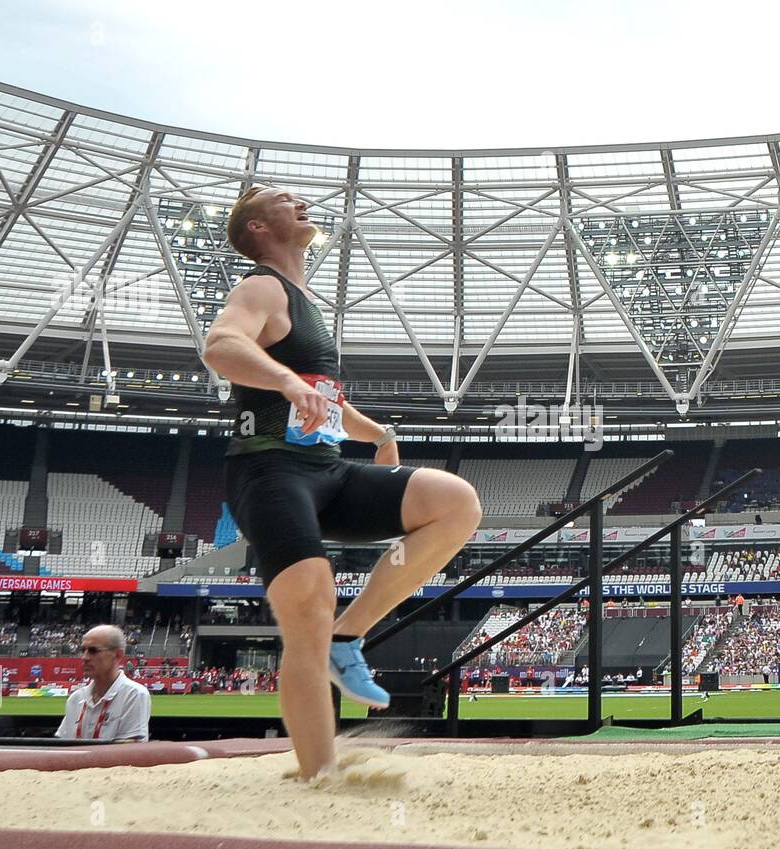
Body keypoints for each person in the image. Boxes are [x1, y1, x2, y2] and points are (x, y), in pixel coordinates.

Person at [204, 185, 482, 781]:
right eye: (284, 199)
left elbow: (323, 400)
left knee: (454, 502)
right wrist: (286, 383)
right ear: (257, 227)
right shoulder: (262, 287)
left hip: (328, 470)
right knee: (308, 604)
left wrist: (376, 431)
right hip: (269, 469)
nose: (301, 203)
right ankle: (320, 773)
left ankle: (349, 633)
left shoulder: (306, 300)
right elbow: (221, 344)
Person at [56, 626, 151, 742]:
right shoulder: (75, 699)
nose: (84, 657)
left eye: (93, 651)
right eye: (83, 650)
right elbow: (62, 746)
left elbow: (129, 753)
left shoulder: (134, 695)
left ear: (118, 655)